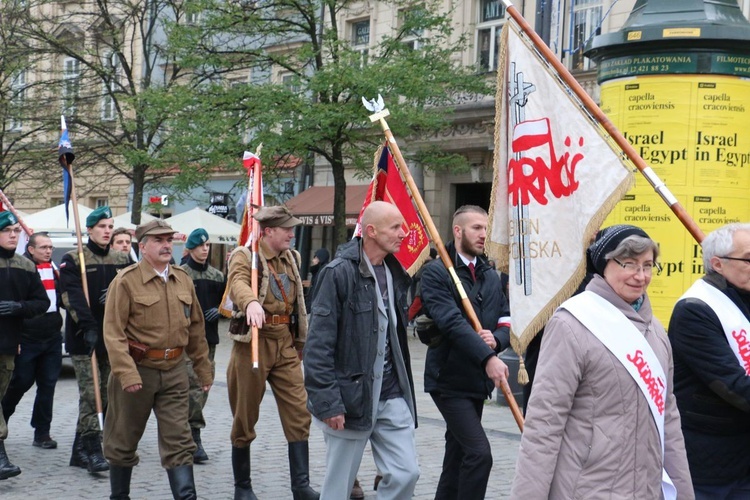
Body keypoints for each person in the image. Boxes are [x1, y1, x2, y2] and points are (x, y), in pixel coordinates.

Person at [511, 224, 694, 499]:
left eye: (647, 265)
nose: (640, 276)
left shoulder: (656, 331)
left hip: (647, 488)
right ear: (604, 264)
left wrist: (684, 492)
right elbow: (545, 425)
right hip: (587, 488)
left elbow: (669, 419)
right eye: (629, 264)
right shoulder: (571, 324)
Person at [305, 200, 420, 499]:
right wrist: (328, 402)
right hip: (351, 397)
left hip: (391, 394)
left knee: (407, 473)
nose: (403, 233)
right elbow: (318, 346)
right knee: (338, 488)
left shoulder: (396, 273)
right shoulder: (337, 273)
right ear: (371, 231)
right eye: (395, 227)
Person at [103, 219, 213, 499]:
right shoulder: (125, 281)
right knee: (123, 441)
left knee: (180, 441)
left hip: (175, 371)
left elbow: (197, 328)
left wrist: (204, 370)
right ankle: (120, 496)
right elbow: (113, 332)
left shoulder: (182, 279)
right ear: (143, 247)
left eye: (169, 240)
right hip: (138, 371)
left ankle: (186, 496)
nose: (166, 245)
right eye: (158, 241)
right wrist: (126, 374)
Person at [226, 205, 318, 500]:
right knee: (245, 416)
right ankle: (243, 487)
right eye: (286, 229)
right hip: (254, 342)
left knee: (299, 411)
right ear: (268, 232)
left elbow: (297, 302)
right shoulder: (246, 255)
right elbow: (238, 282)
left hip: (285, 342)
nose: (292, 233)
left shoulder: (292, 257)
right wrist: (250, 302)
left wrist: (301, 341)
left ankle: (301, 486)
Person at [419, 205, 510, 500]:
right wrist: (488, 357)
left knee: (457, 456)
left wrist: (495, 341)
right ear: (458, 231)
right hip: (449, 379)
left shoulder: (491, 274)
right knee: (479, 453)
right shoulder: (437, 273)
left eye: (486, 228)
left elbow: (507, 318)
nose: (484, 235)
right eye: (476, 228)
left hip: (476, 382)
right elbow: (451, 322)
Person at [668, 223, 750, 499]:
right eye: (749, 259)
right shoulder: (695, 310)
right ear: (718, 264)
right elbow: (732, 385)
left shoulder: (743, 298)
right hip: (708, 463)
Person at [59, 206, 131, 474]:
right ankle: (91, 449)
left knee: (108, 395)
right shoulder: (74, 259)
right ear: (89, 230)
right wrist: (87, 325)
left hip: (113, 339)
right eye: (102, 226)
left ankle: (79, 450)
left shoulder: (121, 260)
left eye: (111, 226)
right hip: (85, 338)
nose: (107, 231)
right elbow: (71, 297)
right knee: (92, 395)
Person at [0, 212, 50, 480]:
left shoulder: (25, 266)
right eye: (6, 230)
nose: (12, 235)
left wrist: (19, 307)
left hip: (8, 344)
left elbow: (42, 303)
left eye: (15, 230)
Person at [2, 233, 64, 450]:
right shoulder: (22, 269)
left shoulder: (55, 271)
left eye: (51, 247)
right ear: (31, 249)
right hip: (27, 337)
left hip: (52, 337)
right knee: (20, 382)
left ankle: (42, 432)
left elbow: (62, 299)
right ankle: (3, 421)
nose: (48, 251)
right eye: (44, 247)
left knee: (48, 385)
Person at [181, 227, 225, 464]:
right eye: (199, 246)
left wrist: (219, 310)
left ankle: (189, 431)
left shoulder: (217, 276)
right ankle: (192, 435)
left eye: (207, 245)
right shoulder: (181, 274)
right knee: (193, 387)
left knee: (204, 386)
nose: (204, 249)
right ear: (190, 248)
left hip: (209, 340)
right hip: (186, 341)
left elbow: (229, 304)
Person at [304, 247, 329, 312]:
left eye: (315, 258)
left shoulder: (322, 272)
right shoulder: (318, 271)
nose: (313, 260)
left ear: (320, 259)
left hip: (315, 309)